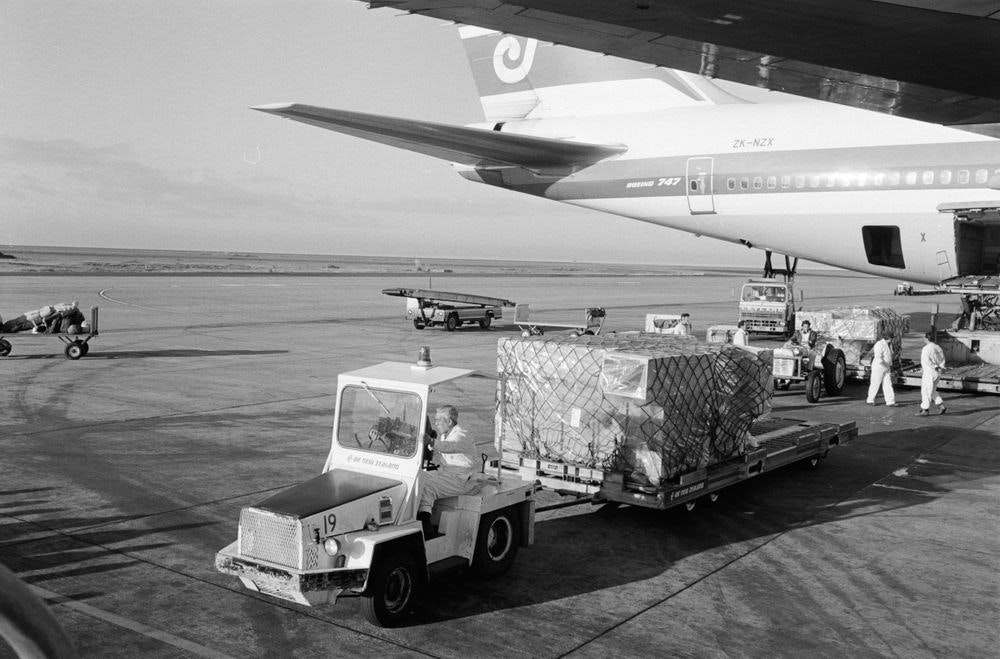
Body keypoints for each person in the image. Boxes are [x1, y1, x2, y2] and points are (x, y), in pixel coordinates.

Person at [417, 405, 481, 535]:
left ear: (449, 422)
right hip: (446, 473)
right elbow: (442, 446)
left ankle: (425, 525)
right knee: (418, 478)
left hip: (462, 479)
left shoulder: (462, 435)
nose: (436, 423)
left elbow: (450, 446)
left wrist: (432, 442)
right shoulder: (445, 435)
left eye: (438, 420)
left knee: (428, 487)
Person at [918, 332, 947, 416]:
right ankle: (941, 405)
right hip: (938, 372)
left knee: (926, 391)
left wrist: (934, 366)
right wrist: (940, 366)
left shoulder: (926, 348)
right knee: (932, 390)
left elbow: (926, 361)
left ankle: (925, 409)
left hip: (929, 372)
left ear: (926, 338)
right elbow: (943, 359)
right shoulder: (938, 347)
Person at [866, 331, 897, 406]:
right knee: (875, 383)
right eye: (891, 338)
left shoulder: (888, 344)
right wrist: (886, 365)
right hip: (879, 367)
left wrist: (889, 365)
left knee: (888, 384)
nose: (892, 339)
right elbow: (878, 357)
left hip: (886, 367)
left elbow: (888, 356)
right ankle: (870, 399)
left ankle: (890, 401)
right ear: (889, 338)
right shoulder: (879, 344)